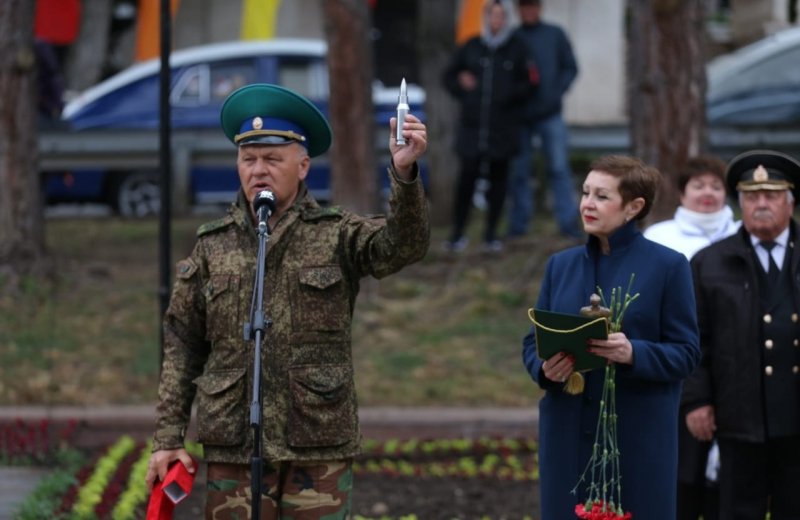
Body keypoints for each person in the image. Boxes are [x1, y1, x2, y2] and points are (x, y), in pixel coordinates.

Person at [144, 83, 430, 519]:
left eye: (272, 159)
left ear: (303, 166)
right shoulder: (211, 247)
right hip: (235, 447)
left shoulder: (335, 233)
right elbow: (182, 343)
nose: (258, 170)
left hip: (316, 447)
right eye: (248, 158)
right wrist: (168, 437)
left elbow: (403, 246)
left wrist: (405, 176)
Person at [522, 155, 701, 519]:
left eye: (602, 196)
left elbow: (686, 353)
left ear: (634, 207)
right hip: (568, 433)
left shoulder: (669, 266)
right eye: (586, 192)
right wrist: (545, 368)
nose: (587, 203)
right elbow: (531, 342)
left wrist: (634, 352)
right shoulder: (561, 265)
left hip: (637, 437)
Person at [683, 150, 800, 520]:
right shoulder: (709, 262)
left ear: (791, 201)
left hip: (797, 416)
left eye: (771, 195)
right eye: (751, 196)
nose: (761, 204)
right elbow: (694, 339)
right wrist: (697, 401)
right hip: (739, 417)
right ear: (740, 203)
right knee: (737, 511)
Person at [642, 155, 738, 520]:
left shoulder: (741, 235)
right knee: (681, 472)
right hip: (677, 363)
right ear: (682, 193)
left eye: (716, 186)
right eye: (699, 186)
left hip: (732, 363)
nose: (708, 194)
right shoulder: (659, 237)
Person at [442, 0, 534, 253]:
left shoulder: (517, 49)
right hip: (472, 130)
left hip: (502, 131)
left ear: (506, 19)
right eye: (493, 16)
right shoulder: (472, 47)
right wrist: (462, 85)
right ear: (486, 18)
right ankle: (457, 233)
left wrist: (508, 94)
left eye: (501, 16)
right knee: (466, 182)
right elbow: (449, 77)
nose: (497, 21)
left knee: (499, 183)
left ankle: (491, 235)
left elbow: (530, 84)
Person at [506, 0, 581, 240]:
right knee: (519, 171)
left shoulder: (554, 34)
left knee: (559, 169)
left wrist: (556, 92)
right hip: (520, 117)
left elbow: (570, 67)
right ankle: (519, 225)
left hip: (550, 114)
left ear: (539, 9)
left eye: (533, 6)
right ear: (519, 11)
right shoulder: (513, 37)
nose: (529, 11)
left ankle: (568, 223)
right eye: (524, 7)